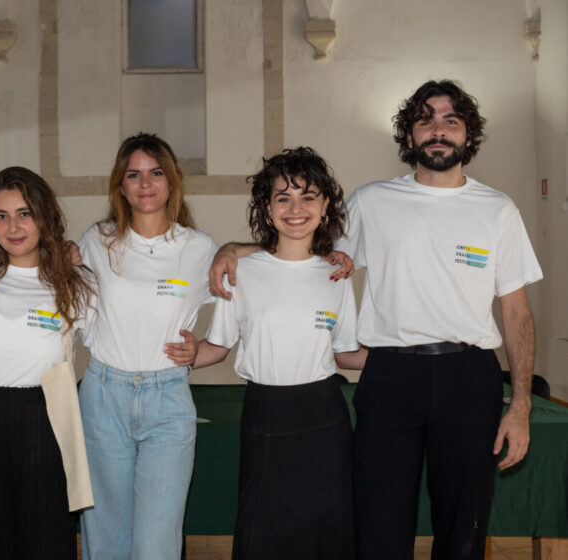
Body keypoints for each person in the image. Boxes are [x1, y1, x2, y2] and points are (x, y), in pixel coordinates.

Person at [210, 80, 542, 560]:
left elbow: (517, 312)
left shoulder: (498, 210)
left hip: (469, 377)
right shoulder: (371, 201)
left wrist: (521, 405)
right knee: (378, 527)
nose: (438, 130)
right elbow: (303, 245)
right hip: (390, 375)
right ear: (408, 136)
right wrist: (234, 249)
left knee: (464, 528)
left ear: (468, 135)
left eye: (451, 120)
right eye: (425, 120)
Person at [192, 147, 366, 559]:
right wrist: (169, 355)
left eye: (308, 197)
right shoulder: (240, 271)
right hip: (266, 412)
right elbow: (217, 347)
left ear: (325, 206)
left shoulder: (337, 273)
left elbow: (347, 354)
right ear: (267, 210)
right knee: (265, 527)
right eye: (283, 198)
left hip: (325, 416)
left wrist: (404, 354)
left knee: (327, 529)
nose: (296, 209)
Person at [76, 133, 218, 560]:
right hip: (103, 396)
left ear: (172, 181)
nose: (145, 184)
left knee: (157, 542)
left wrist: (203, 351)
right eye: (133, 175)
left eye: (156, 173)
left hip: (167, 399)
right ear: (120, 186)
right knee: (106, 536)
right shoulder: (97, 241)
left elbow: (239, 315)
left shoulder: (200, 248)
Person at [0, 166, 94, 559]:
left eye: (24, 213)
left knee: (44, 534)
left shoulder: (75, 283)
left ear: (45, 216)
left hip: (42, 416)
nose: (12, 227)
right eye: (1, 215)